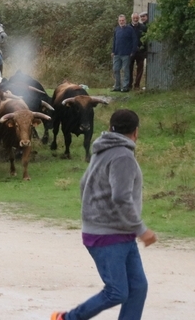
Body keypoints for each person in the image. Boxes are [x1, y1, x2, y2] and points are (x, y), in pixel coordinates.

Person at [51, 109, 157, 320]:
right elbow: (121, 197)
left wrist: (92, 213)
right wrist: (141, 230)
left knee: (138, 287)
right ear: (136, 132)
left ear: (110, 128)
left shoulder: (102, 149)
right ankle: (67, 318)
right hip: (107, 235)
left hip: (119, 232)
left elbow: (84, 183)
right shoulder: (123, 156)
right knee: (117, 291)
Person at [111, 14, 137, 93]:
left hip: (126, 54)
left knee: (125, 70)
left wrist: (133, 51)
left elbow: (134, 41)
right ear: (118, 21)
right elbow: (114, 41)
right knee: (116, 69)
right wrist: (113, 51)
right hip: (117, 53)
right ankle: (117, 86)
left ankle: (125, 86)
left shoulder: (130, 29)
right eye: (120, 20)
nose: (121, 22)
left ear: (125, 20)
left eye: (123, 20)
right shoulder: (117, 29)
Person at [130, 12, 148, 91]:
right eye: (134, 18)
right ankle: (129, 84)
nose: (135, 19)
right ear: (132, 18)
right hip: (131, 51)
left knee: (140, 69)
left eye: (137, 18)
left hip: (140, 51)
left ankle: (137, 85)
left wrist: (144, 50)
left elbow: (146, 39)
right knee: (129, 68)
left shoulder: (143, 27)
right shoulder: (128, 27)